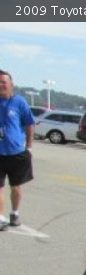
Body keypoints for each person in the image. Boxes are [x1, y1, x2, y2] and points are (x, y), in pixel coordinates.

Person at [0, 69, 35, 231]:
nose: (0, 85)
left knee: (16, 187)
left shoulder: (19, 102)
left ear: (11, 84)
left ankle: (14, 212)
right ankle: (0, 218)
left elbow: (29, 124)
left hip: (17, 154)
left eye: (3, 82)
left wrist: (29, 147)